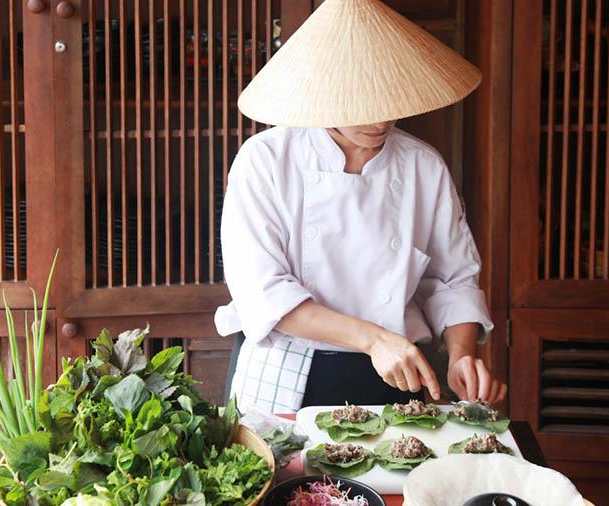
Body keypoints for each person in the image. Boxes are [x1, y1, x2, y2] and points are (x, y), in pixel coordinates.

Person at [215, 0, 506, 413]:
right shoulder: (266, 160)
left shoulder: (423, 166)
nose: (380, 120)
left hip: (395, 373)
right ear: (326, 89)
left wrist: (461, 355)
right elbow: (263, 291)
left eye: (389, 100)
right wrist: (373, 338)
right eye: (363, 103)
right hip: (287, 370)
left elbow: (452, 279)